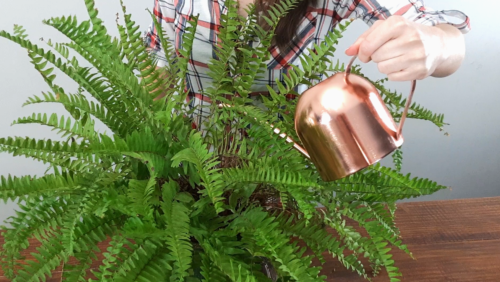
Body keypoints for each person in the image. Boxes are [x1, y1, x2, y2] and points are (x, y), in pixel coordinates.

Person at [144, 0, 470, 128]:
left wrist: (436, 44)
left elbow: (443, 33)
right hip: (191, 169)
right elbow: (157, 69)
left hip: (288, 179)